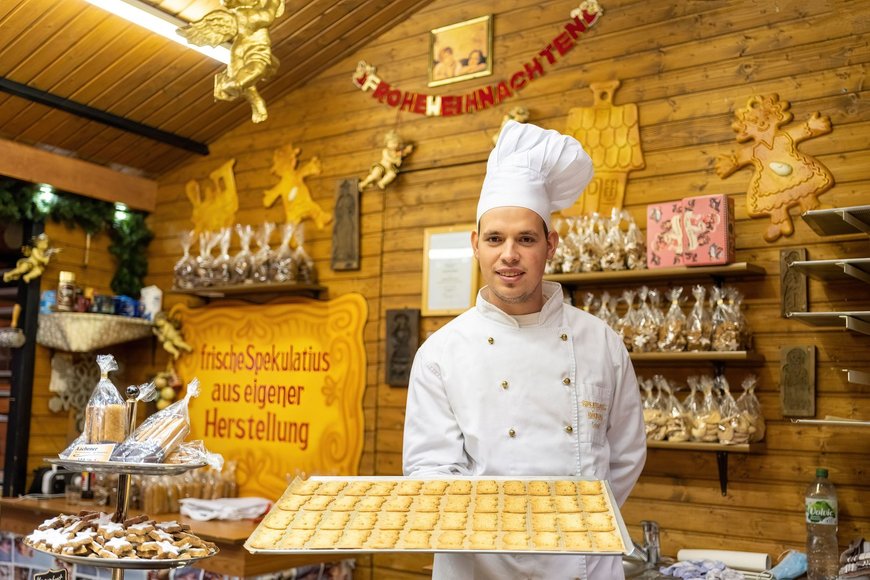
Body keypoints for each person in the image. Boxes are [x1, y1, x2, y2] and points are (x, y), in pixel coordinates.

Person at [403, 120, 646, 579]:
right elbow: (430, 470)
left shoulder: (601, 342)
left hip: (584, 564)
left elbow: (627, 453)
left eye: (526, 239)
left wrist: (579, 525)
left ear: (551, 245)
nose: (509, 254)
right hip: (479, 567)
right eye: (495, 239)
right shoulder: (441, 353)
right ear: (476, 246)